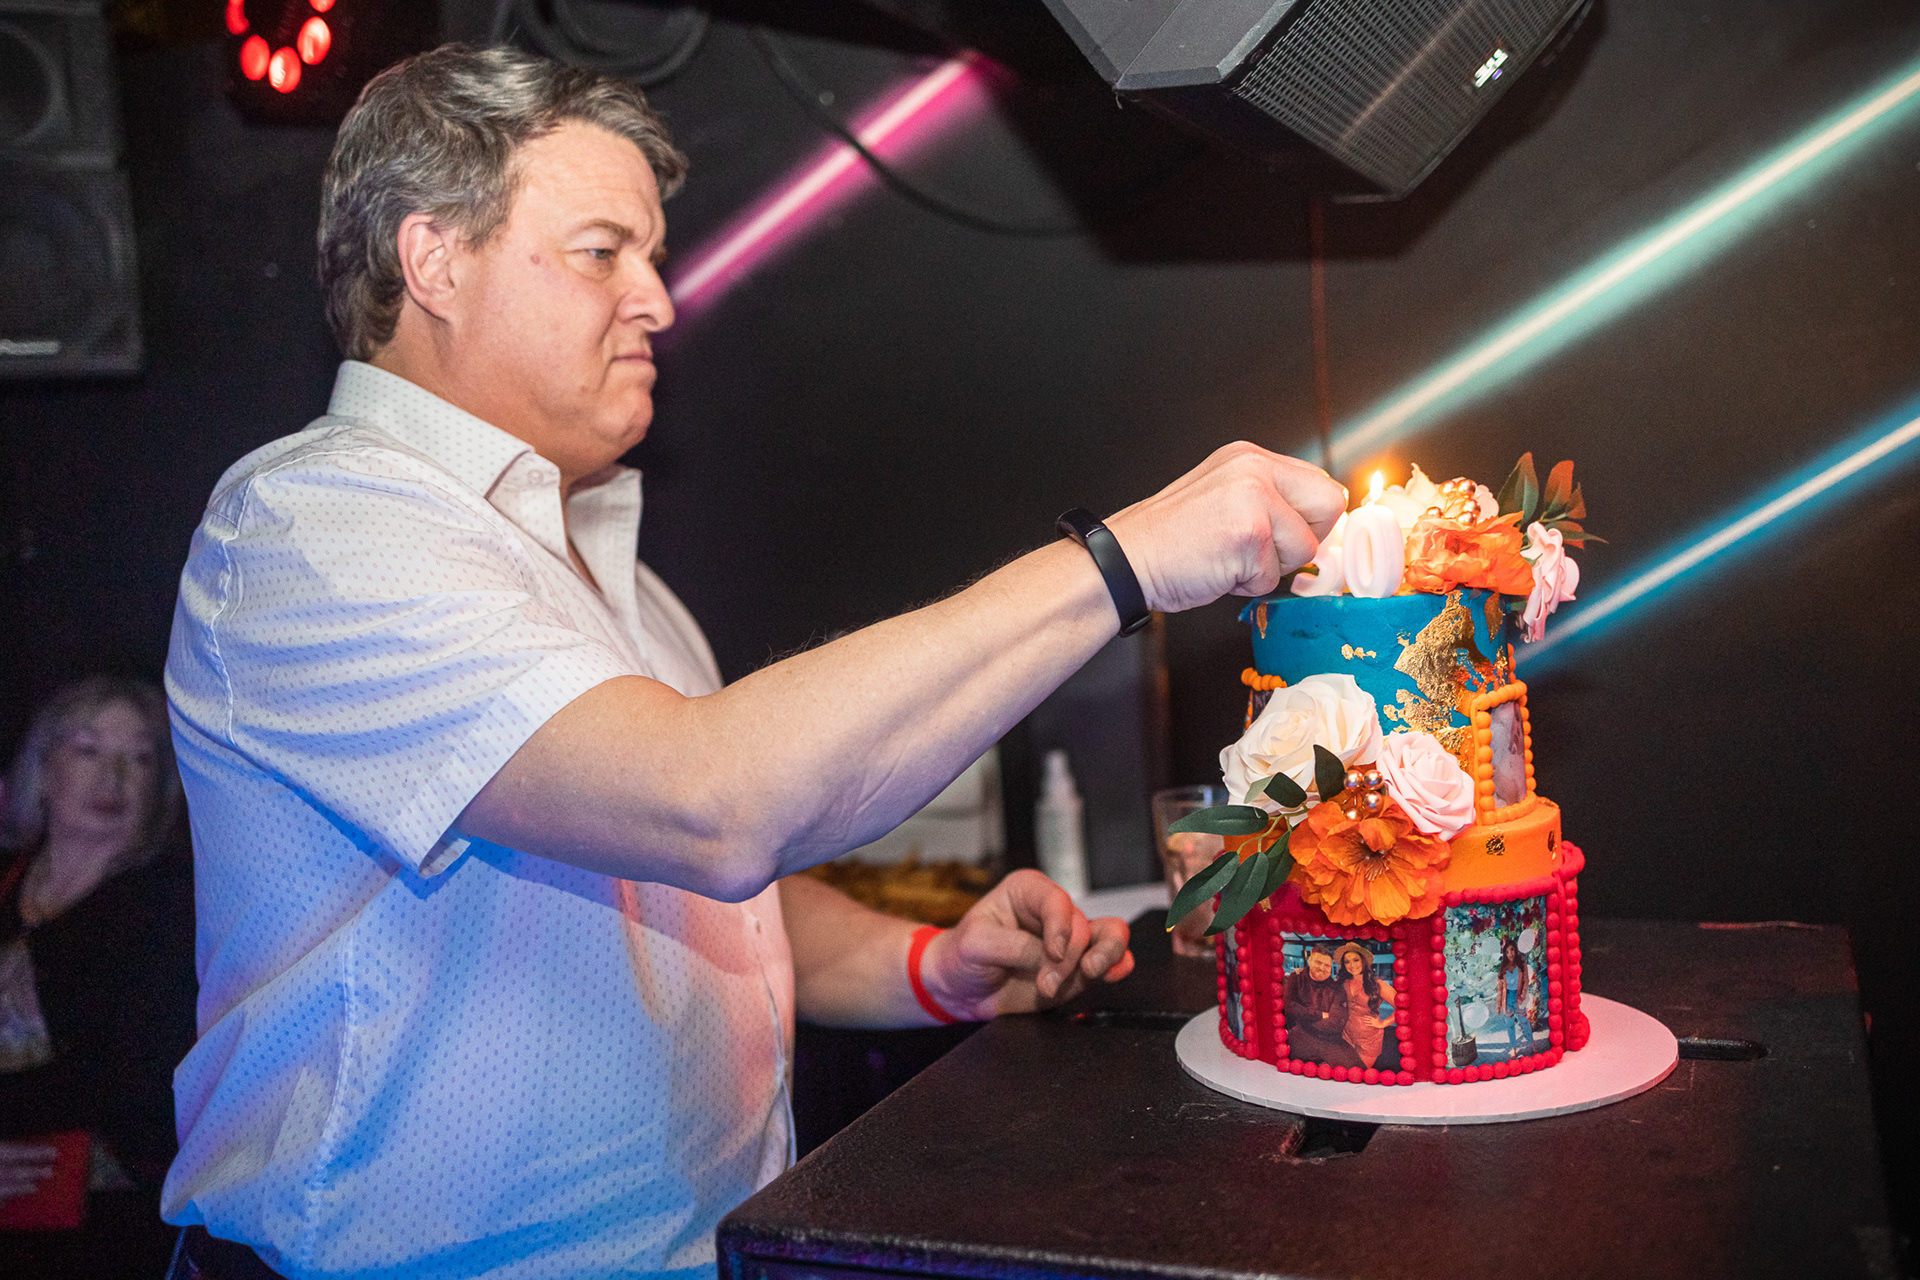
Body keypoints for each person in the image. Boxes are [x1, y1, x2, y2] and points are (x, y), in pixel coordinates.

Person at [160, 45, 1346, 1279]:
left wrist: (929, 965)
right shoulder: (315, 525)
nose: (658, 300)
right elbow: (712, 802)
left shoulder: (615, 574)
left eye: (652, 257)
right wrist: (1125, 558)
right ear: (434, 261)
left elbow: (702, 888)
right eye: (602, 252)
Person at [0, 678, 196, 1279]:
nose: (112, 777)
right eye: (88, 750)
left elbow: (153, 1097)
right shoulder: (8, 886)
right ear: (42, 768)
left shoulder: (170, 913)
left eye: (140, 758)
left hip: (101, 1238)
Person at [1281, 944, 1363, 1069]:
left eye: (1327, 965)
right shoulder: (1296, 978)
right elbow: (1288, 1006)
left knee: (1358, 1068)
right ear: (1310, 961)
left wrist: (1303, 1020)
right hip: (1300, 1036)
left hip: (1330, 1039)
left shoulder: (1336, 988)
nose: (1322, 968)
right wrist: (1319, 1014)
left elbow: (1336, 1022)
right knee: (1288, 1063)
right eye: (1318, 962)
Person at [1331, 941, 1394, 1071]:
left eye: (1356, 960)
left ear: (1363, 961)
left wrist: (1383, 1023)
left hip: (1368, 1041)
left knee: (1357, 1074)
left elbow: (1404, 1007)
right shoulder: (1342, 983)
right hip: (1345, 1037)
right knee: (1342, 1074)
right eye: (1347, 961)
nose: (1352, 965)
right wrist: (1301, 973)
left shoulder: (1378, 985)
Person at [1493, 934, 1537, 1057]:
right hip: (1508, 1000)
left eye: (1512, 950)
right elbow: (1500, 989)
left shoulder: (1521, 965)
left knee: (1524, 1021)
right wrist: (1498, 1006)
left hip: (1518, 998)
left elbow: (1526, 981)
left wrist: (1522, 996)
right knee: (1510, 1024)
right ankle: (1513, 1047)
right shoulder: (1503, 969)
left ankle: (1531, 1041)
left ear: (1515, 950)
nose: (1510, 954)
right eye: (1507, 952)